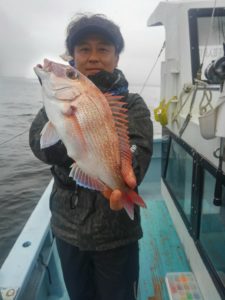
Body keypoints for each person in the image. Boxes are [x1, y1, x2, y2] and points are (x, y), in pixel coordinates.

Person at [29, 13, 153, 300]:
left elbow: (139, 151)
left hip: (116, 235)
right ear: (72, 57)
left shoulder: (131, 104)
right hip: (67, 230)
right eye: (84, 49)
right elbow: (40, 145)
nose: (94, 56)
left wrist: (124, 174)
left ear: (116, 58)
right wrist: (66, 122)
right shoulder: (58, 101)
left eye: (104, 49)